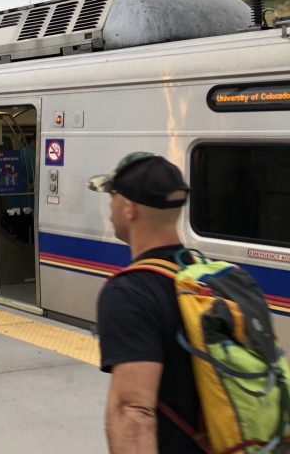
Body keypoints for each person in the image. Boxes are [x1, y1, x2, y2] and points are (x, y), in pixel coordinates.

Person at [89, 152, 199, 453]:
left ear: (129, 208)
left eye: (112, 196)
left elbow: (132, 413)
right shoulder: (210, 275)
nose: (109, 207)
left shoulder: (130, 293)